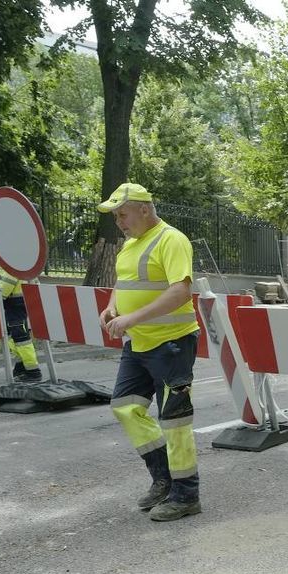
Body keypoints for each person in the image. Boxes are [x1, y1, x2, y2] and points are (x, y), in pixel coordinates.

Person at [96, 183, 202, 522]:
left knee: (175, 422)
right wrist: (112, 307)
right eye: (116, 217)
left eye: (122, 215)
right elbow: (123, 284)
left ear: (144, 208)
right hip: (138, 343)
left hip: (171, 343)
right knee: (126, 407)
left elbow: (181, 291)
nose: (120, 223)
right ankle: (165, 479)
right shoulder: (130, 244)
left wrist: (132, 317)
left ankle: (186, 496)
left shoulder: (172, 240)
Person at [0, 272, 42, 383]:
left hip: (15, 307)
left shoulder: (11, 269)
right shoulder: (29, 267)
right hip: (23, 305)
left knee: (21, 340)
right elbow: (37, 286)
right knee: (16, 340)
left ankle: (33, 372)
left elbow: (1, 293)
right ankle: (21, 367)